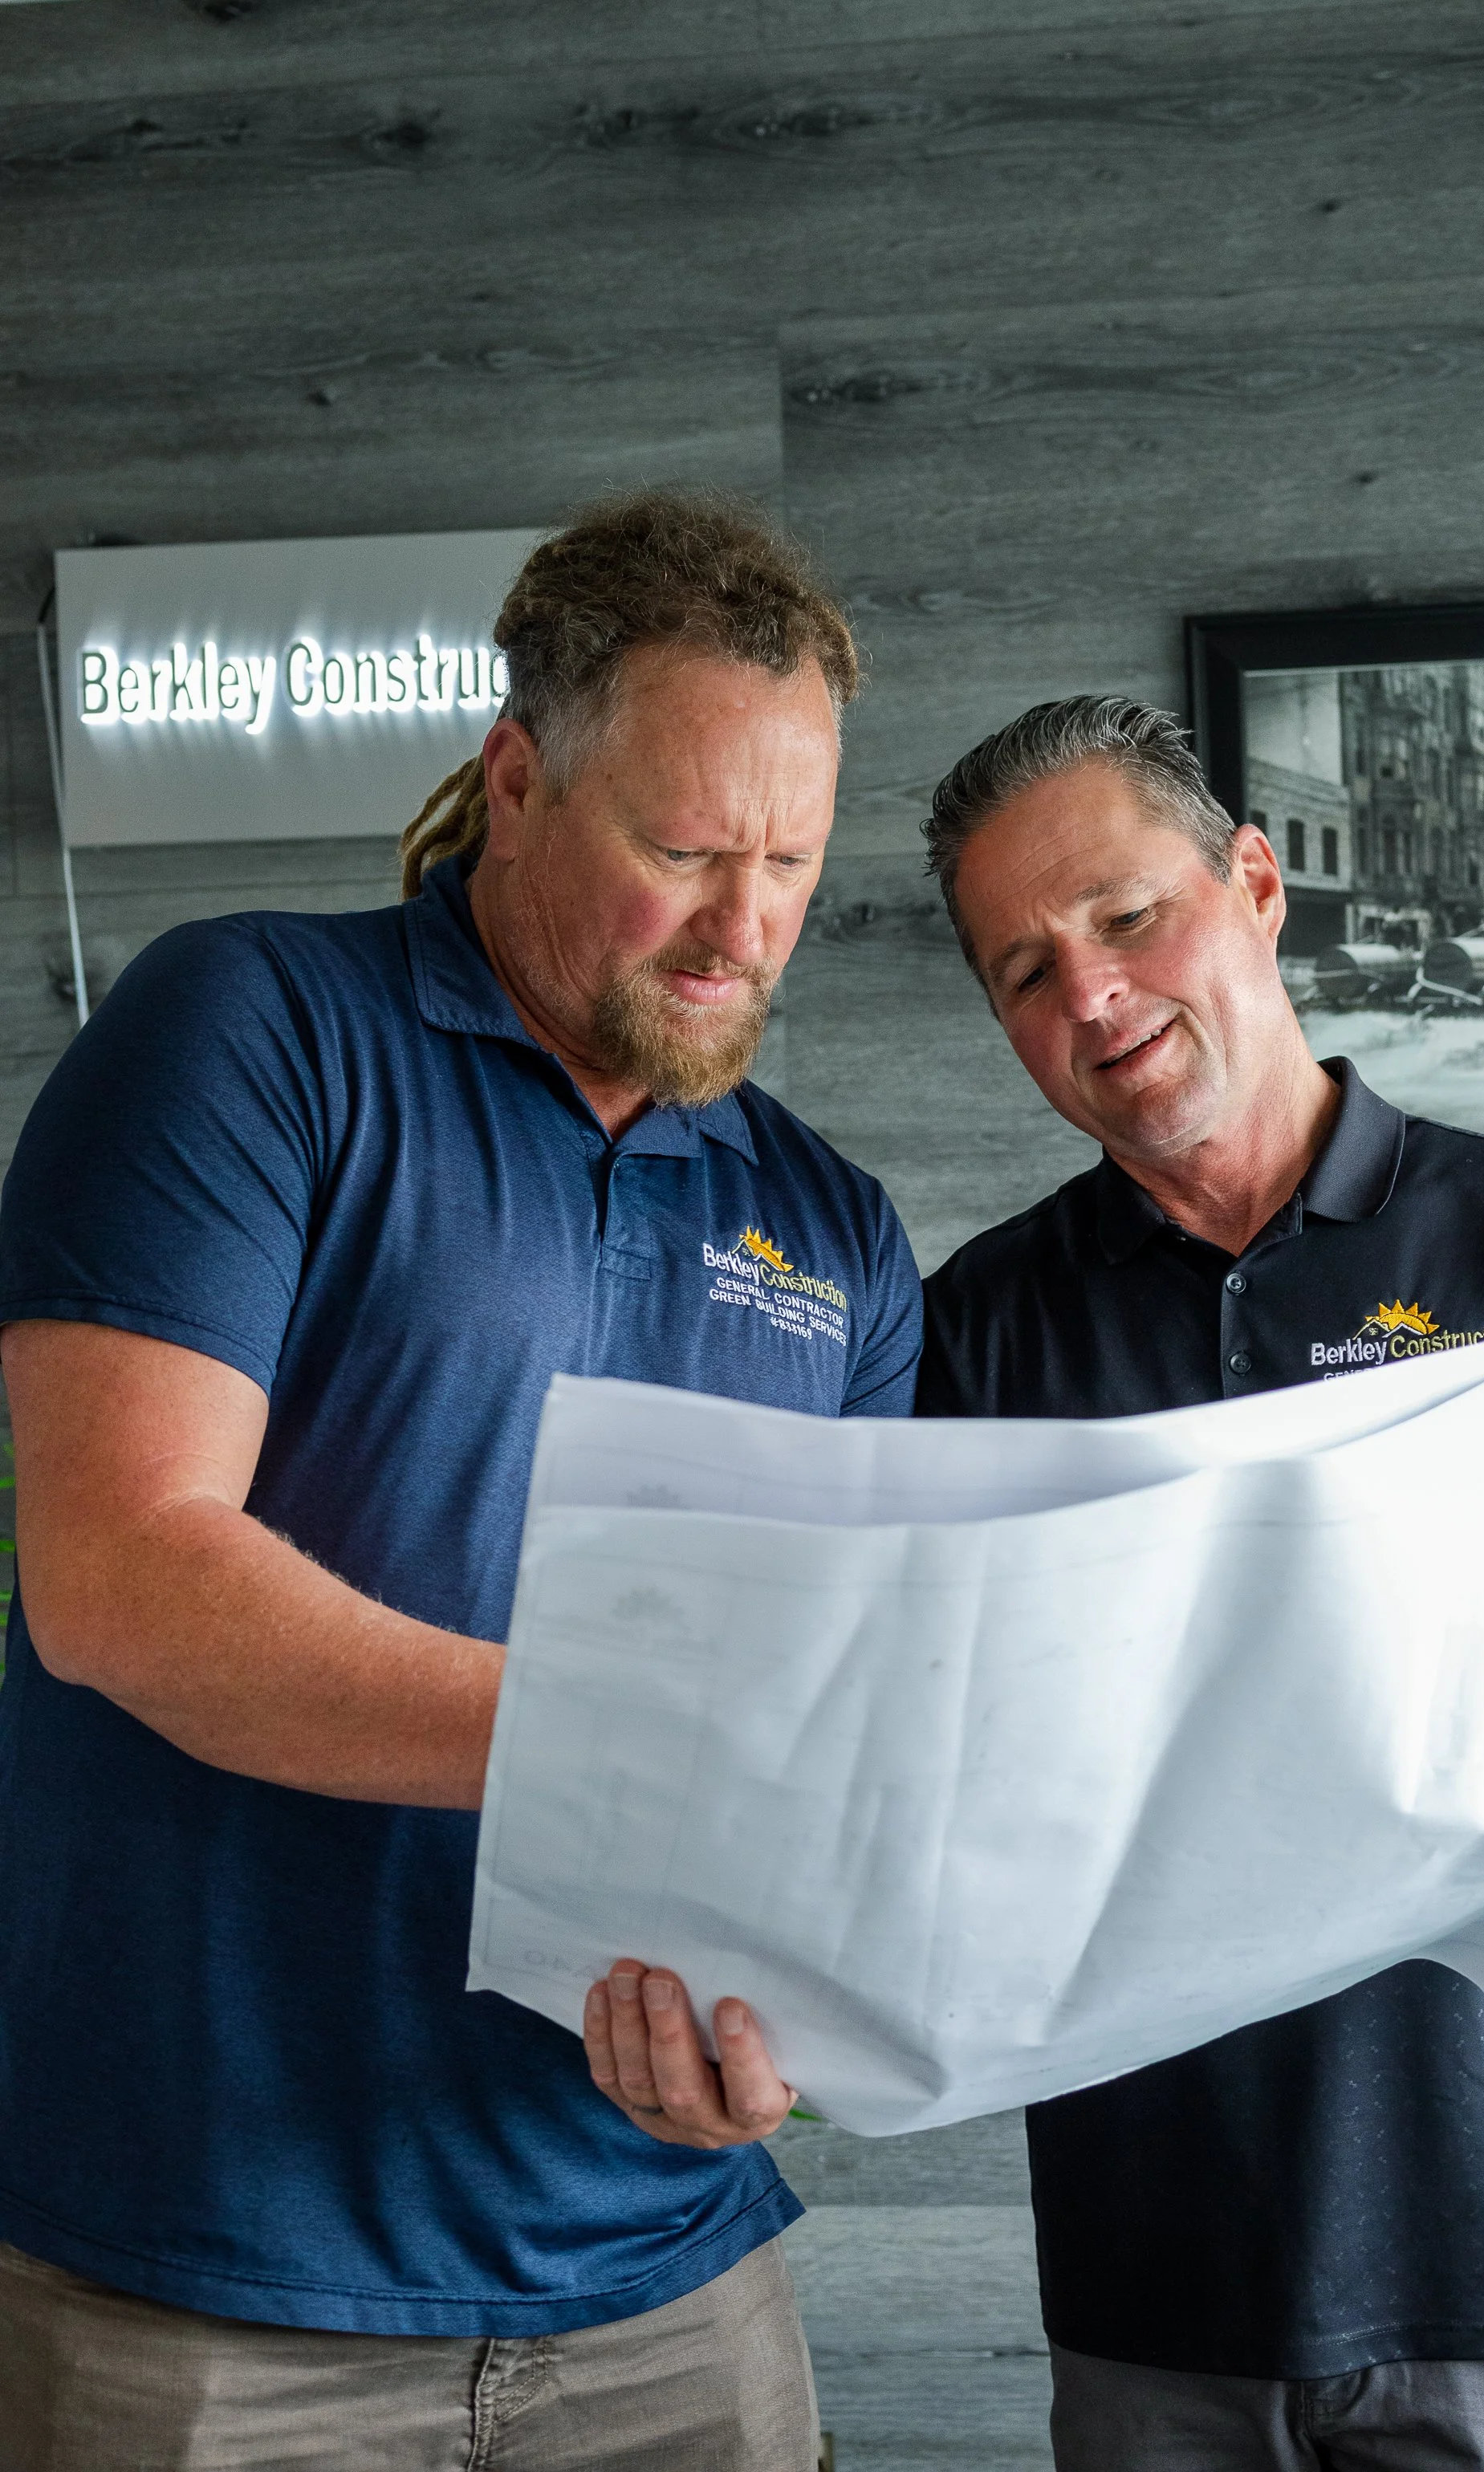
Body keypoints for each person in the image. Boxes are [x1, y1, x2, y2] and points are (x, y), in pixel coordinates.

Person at [0, 492, 922, 2469]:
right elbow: (120, 1570)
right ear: (516, 782)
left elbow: (818, 1735)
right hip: (208, 2281)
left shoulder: (836, 1233)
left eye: (790, 861)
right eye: (685, 851)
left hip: (671, 2283)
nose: (746, 927)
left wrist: (777, 2037)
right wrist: (624, 1743)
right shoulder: (249, 1032)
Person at [916, 692, 1484, 2472]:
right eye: (1028, 972)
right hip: (1153, 2285)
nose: (1093, 999)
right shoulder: (977, 1331)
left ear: (1261, 886)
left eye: (1130, 918)